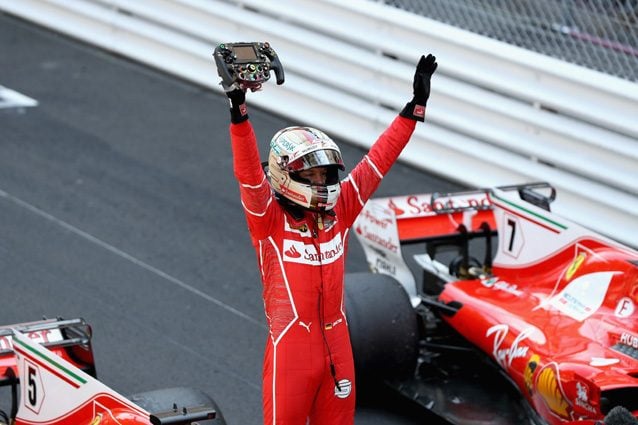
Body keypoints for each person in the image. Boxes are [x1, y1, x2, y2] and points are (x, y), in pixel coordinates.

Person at [225, 53, 438, 425]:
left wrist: (414, 108)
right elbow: (247, 174)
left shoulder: (341, 210)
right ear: (285, 174)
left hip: (339, 351)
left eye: (326, 174)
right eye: (314, 175)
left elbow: (378, 161)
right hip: (291, 351)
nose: (323, 183)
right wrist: (238, 110)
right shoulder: (268, 220)